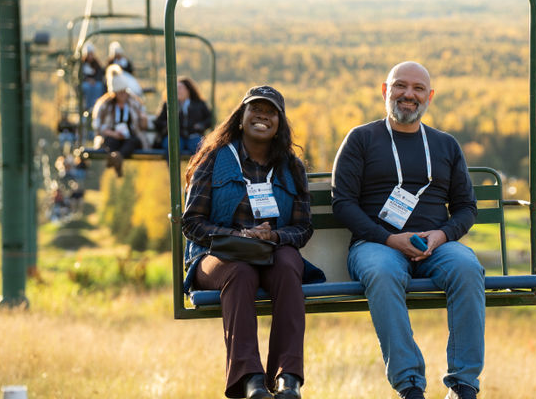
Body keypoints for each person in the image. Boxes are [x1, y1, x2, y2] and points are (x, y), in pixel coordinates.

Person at [331, 61, 484, 399]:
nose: (408, 94)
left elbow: (466, 208)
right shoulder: (361, 139)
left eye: (417, 88)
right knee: (383, 273)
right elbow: (342, 203)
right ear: (386, 91)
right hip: (377, 244)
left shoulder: (445, 145)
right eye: (400, 86)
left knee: (468, 267)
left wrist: (441, 235)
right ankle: (410, 384)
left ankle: (463, 384)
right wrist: (388, 238)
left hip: (436, 246)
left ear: (429, 96)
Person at [182, 85, 323, 399]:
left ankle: (288, 379)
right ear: (241, 118)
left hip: (272, 252)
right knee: (241, 271)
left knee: (289, 265)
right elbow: (191, 223)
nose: (263, 116)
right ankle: (251, 381)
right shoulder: (215, 159)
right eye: (255, 110)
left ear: (279, 124)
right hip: (217, 254)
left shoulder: (292, 168)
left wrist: (273, 236)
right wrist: (236, 236)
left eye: (271, 112)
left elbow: (302, 228)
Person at [92, 64, 149, 177]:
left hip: (131, 136)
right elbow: (98, 126)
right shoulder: (105, 105)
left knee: (132, 142)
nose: (123, 95)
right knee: (110, 141)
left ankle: (116, 158)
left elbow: (143, 126)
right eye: (120, 92)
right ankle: (117, 158)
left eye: (124, 91)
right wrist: (113, 133)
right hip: (112, 136)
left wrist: (143, 119)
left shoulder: (134, 103)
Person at [153, 76, 213, 153]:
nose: (177, 91)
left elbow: (209, 119)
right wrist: (168, 126)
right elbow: (158, 121)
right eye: (176, 88)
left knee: (200, 147)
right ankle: (174, 165)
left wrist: (201, 125)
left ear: (188, 90)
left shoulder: (199, 104)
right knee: (172, 146)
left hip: (193, 135)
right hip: (175, 136)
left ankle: (198, 165)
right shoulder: (169, 104)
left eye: (180, 88)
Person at [80, 43, 105, 111]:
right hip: (86, 82)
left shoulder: (96, 63)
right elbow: (80, 75)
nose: (90, 56)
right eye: (89, 54)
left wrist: (95, 80)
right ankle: (88, 106)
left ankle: (96, 106)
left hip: (96, 82)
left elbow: (100, 73)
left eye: (91, 54)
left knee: (99, 87)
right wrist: (88, 80)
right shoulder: (82, 64)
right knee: (87, 87)